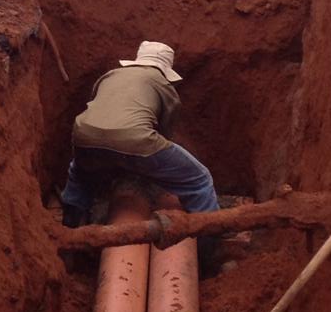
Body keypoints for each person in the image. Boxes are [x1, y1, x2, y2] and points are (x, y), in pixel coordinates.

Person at [60, 41, 219, 228]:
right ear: (165, 69)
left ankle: (70, 228)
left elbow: (99, 110)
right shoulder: (162, 84)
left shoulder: (110, 75)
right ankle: (210, 239)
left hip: (84, 136)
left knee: (80, 174)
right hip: (137, 140)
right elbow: (163, 134)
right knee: (199, 180)